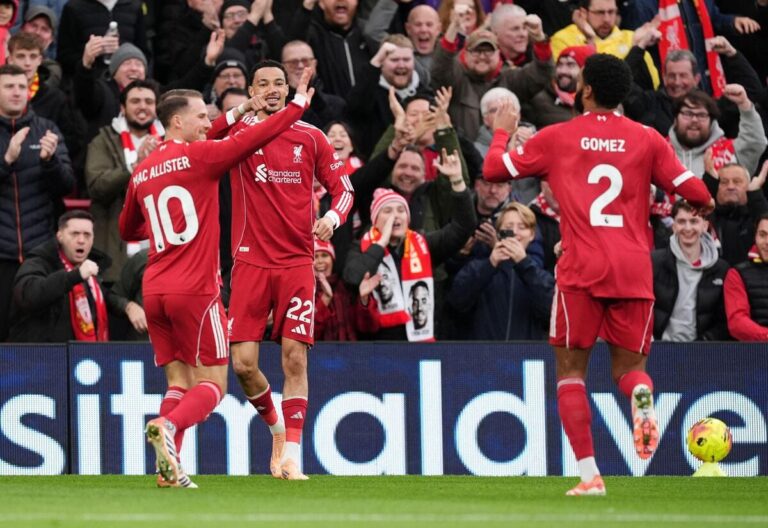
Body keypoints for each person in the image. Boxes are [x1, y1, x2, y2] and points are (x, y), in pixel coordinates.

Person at [483, 54, 714, 496]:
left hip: (581, 269)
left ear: (585, 90)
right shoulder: (647, 139)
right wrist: (704, 205)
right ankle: (642, 398)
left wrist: (501, 131)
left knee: (571, 374)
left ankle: (590, 475)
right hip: (633, 269)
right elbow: (698, 192)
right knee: (629, 372)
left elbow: (494, 170)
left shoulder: (558, 137)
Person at [118, 71, 313, 488]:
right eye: (201, 118)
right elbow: (253, 139)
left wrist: (243, 107)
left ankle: (168, 468)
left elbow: (127, 230)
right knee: (213, 386)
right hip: (196, 290)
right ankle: (168, 427)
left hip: (154, 289)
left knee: (178, 381)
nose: (208, 124)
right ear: (177, 123)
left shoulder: (143, 170)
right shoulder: (201, 156)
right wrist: (295, 106)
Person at [207, 60, 354, 480]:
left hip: (296, 263)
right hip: (250, 261)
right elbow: (204, 139)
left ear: (289, 89)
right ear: (252, 88)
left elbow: (343, 187)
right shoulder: (241, 134)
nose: (272, 89)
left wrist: (334, 219)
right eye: (263, 83)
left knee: (294, 359)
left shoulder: (311, 136)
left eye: (279, 84)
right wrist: (239, 110)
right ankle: (275, 428)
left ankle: (291, 455)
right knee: (243, 365)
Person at [0, 63, 74, 341]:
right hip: (1, 256)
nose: (17, 92)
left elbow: (66, 185)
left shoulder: (46, 129)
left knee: (35, 338)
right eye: (9, 86)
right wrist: (6, 160)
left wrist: (50, 162)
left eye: (22, 86)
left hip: (36, 253)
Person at [85, 79, 163, 285]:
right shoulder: (103, 140)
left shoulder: (170, 140)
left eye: (148, 101)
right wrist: (134, 167)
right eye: (135, 101)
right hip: (116, 249)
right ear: (122, 107)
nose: (143, 106)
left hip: (160, 246)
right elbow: (96, 187)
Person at [8, 209, 122, 342]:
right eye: (75, 234)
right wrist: (75, 276)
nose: (81, 240)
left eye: (87, 235)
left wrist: (127, 306)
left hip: (84, 357)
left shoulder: (92, 267)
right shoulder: (39, 261)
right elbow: (28, 294)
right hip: (41, 355)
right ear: (59, 236)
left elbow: (105, 296)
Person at [449, 201, 554, 340]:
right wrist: (490, 264)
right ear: (498, 233)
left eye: (522, 227)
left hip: (527, 356)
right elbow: (456, 302)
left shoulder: (539, 275)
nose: (515, 232)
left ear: (532, 235)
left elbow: (552, 311)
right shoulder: (477, 266)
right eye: (508, 227)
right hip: (483, 356)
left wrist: (524, 264)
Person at [652, 200, 730, 342]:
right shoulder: (655, 262)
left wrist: (705, 341)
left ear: (705, 226)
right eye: (681, 222)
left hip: (700, 352)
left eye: (694, 221)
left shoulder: (721, 269)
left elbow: (724, 320)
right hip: (657, 348)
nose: (688, 228)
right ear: (674, 226)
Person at [724, 212, 768, 341]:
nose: (767, 242)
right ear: (755, 236)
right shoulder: (737, 274)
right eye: (762, 235)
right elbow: (737, 323)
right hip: (754, 355)